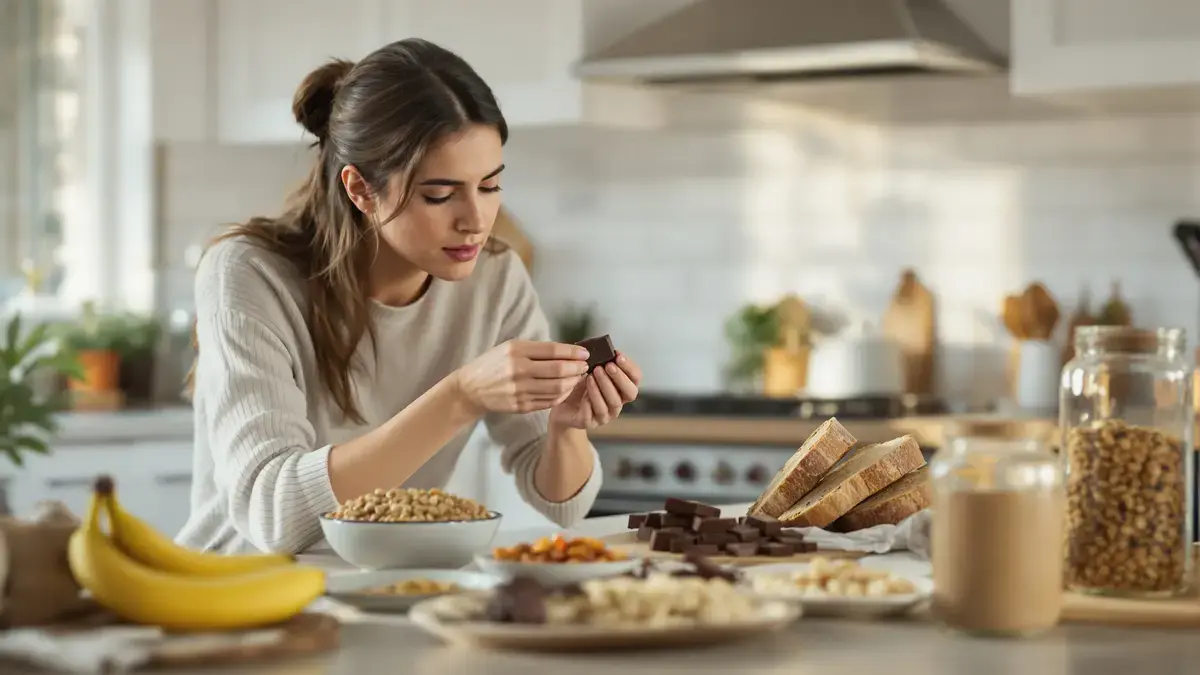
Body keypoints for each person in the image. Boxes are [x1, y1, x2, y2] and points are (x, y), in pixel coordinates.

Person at [175, 38, 641, 555]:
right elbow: (273, 516)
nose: (476, 221)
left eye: (490, 186)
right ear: (361, 191)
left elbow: (561, 503)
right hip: (231, 597)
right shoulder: (249, 273)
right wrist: (461, 396)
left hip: (388, 589)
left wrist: (565, 430)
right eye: (439, 195)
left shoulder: (496, 278)